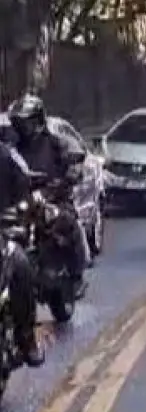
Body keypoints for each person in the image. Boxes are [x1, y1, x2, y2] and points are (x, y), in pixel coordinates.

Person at [7, 93, 87, 293]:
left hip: (54, 198)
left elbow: (75, 158)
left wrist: (69, 174)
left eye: (26, 123)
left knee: (67, 222)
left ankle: (76, 275)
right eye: (18, 124)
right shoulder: (12, 150)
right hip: (22, 200)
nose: (22, 129)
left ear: (38, 120)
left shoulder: (56, 143)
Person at [0, 139, 44, 367]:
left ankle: (26, 339)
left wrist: (20, 213)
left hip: (2, 231)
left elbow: (26, 185)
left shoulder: (7, 155)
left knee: (21, 267)